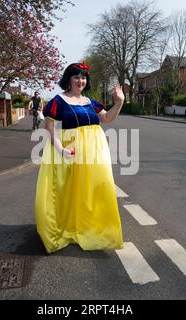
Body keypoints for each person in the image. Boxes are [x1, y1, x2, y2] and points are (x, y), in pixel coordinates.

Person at [35, 62, 125, 253]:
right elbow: (49, 129)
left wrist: (119, 102)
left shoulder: (90, 102)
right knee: (69, 190)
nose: (80, 81)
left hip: (95, 152)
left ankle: (91, 227)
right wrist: (61, 150)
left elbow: (106, 118)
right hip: (71, 150)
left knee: (95, 189)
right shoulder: (58, 101)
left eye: (83, 77)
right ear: (68, 79)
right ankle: (69, 227)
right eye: (76, 77)